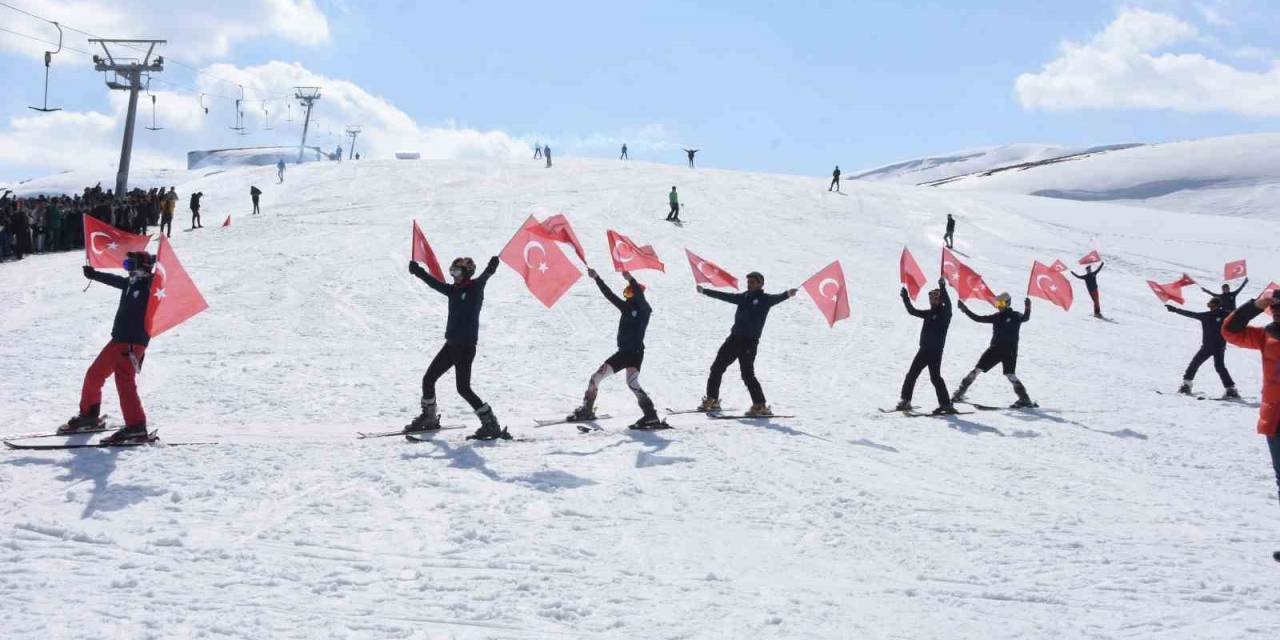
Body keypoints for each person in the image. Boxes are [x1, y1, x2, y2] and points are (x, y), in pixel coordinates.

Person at [406, 255, 509, 440]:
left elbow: (485, 277)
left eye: (457, 271)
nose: (453, 275)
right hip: (451, 345)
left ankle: (490, 424)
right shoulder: (453, 290)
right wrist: (418, 271)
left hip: (465, 348)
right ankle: (429, 418)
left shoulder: (475, 288)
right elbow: (433, 283)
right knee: (428, 379)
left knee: (463, 388)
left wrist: (490, 268)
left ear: (467, 273)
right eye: (452, 271)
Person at [61, 252, 158, 444]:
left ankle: (136, 426)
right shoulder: (130, 284)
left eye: (131, 264)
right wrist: (93, 274)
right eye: (126, 264)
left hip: (133, 341)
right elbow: (114, 280)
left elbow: (161, 285)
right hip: (119, 339)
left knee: (124, 381)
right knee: (95, 374)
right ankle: (89, 416)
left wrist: (154, 273)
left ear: (143, 267)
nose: (127, 269)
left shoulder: (150, 286)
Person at [568, 269, 662, 428]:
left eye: (630, 292)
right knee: (609, 380)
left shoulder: (645, 310)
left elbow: (639, 296)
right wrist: (597, 278)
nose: (627, 295)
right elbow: (609, 295)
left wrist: (631, 279)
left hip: (634, 353)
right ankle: (588, 409)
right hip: (624, 353)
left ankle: (650, 415)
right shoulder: (626, 308)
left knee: (615, 381)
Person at [696, 272, 798, 416]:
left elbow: (779, 297)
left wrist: (788, 293)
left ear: (760, 284)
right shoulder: (743, 297)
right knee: (716, 367)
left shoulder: (765, 299)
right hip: (734, 339)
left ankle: (760, 406)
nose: (749, 284)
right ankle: (712, 400)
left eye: (752, 282)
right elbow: (725, 296)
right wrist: (705, 291)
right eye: (748, 282)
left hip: (749, 343)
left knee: (747, 374)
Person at [1221, 291, 1280, 534]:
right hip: (1276, 418)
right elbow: (1231, 332)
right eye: (1274, 306)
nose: (1276, 310)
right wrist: (1255, 306)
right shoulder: (1266, 335)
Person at [952, 293, 1036, 408]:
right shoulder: (996, 317)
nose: (999, 306)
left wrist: (1028, 307)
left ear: (1007, 303)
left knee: (1010, 374)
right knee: (977, 369)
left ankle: (1024, 399)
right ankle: (959, 393)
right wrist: (965, 310)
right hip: (995, 349)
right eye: (997, 303)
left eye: (1001, 303)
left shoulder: (1015, 315)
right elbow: (978, 318)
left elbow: (1025, 318)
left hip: (1009, 351)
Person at [895, 278, 957, 414]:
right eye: (930, 298)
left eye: (935, 298)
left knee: (935, 378)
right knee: (911, 374)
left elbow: (949, 305)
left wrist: (943, 288)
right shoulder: (928, 314)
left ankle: (946, 404)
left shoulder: (945, 314)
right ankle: (905, 400)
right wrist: (905, 298)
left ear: (940, 299)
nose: (932, 300)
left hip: (935, 352)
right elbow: (912, 311)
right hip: (924, 350)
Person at [1167, 299, 1238, 398]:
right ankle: (1187, 385)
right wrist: (1175, 310)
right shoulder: (1209, 315)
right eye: (1209, 304)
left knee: (1217, 366)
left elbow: (1239, 317)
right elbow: (1190, 314)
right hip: (1210, 346)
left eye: (1211, 304)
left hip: (1216, 346)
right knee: (1197, 364)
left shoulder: (1223, 315)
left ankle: (1231, 389)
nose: (1209, 305)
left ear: (1215, 305)